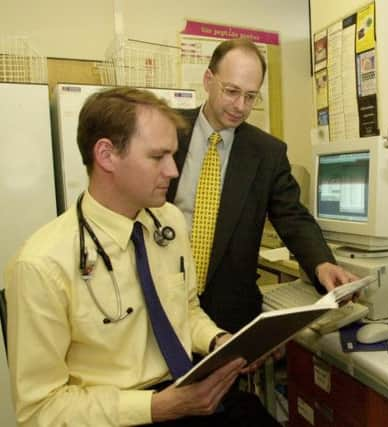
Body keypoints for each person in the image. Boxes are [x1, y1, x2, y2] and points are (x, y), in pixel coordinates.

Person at [5, 87, 279, 426]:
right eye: (157, 157)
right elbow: (39, 410)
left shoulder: (168, 221)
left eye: (173, 156)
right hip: (119, 415)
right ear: (106, 155)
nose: (173, 171)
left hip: (187, 391)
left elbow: (186, 309)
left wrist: (219, 342)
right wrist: (158, 407)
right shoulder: (42, 265)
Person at [168, 38, 358, 333]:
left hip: (228, 313)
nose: (240, 106)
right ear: (208, 79)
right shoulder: (169, 132)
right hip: (164, 301)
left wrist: (322, 264)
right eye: (231, 91)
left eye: (251, 96)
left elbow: (292, 216)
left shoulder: (266, 153)